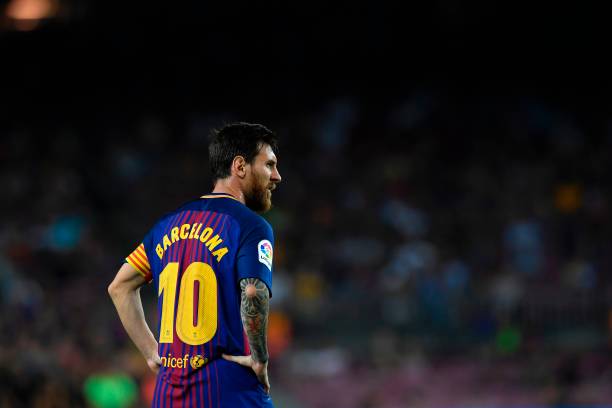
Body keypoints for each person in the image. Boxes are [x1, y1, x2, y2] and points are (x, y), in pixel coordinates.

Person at [108, 122, 282, 407]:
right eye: (269, 165)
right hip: (227, 387)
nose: (276, 176)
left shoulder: (165, 226)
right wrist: (259, 358)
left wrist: (152, 353)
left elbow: (119, 287)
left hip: (169, 393)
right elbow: (253, 292)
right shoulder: (250, 226)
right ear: (240, 166)